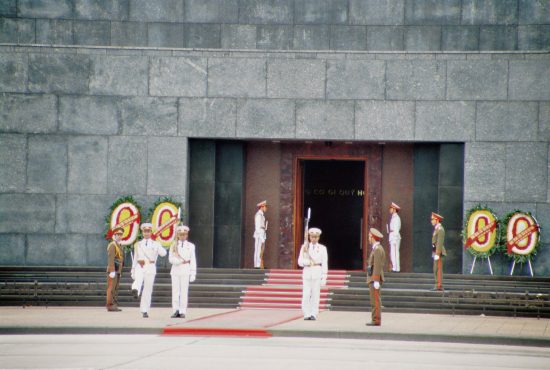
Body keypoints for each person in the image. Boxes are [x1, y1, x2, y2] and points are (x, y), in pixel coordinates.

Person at [133, 223, 167, 318]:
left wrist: (159, 246)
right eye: (145, 231)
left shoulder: (156, 244)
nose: (146, 233)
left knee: (148, 290)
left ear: (151, 232)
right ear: (142, 232)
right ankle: (135, 290)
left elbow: (163, 254)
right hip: (140, 265)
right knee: (138, 280)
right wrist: (133, 270)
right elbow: (135, 258)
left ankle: (144, 310)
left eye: (148, 231)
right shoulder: (138, 244)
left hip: (150, 267)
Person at [298, 227, 328, 321]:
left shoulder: (322, 248)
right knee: (306, 294)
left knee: (315, 294)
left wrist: (324, 277)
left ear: (318, 237)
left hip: (317, 272)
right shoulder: (304, 247)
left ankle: (314, 313)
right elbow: (299, 261)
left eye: (315, 237)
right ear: (309, 237)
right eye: (312, 237)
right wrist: (306, 262)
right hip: (307, 272)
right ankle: (306, 313)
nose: (314, 239)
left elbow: (324, 263)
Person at [168, 225, 197, 319]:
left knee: (184, 292)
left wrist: (193, 273)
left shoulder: (191, 246)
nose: (182, 236)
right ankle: (175, 310)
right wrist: (179, 261)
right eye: (180, 234)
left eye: (184, 234)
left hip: (185, 269)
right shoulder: (173, 245)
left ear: (187, 235)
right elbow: (171, 259)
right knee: (175, 291)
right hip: (176, 270)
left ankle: (182, 311)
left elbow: (193, 260)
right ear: (178, 235)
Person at [366, 228, 386, 326]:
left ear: (373, 237)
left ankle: (376, 320)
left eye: (369, 237)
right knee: (374, 300)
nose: (368, 239)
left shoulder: (377, 249)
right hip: (373, 278)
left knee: (376, 301)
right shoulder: (376, 248)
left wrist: (376, 280)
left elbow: (377, 265)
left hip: (375, 279)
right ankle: (375, 319)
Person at [106, 227, 124, 312]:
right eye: (118, 235)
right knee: (111, 288)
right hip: (113, 270)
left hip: (118, 270)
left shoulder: (119, 245)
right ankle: (110, 305)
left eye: (121, 235)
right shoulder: (112, 245)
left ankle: (114, 305)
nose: (119, 236)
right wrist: (112, 270)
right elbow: (111, 258)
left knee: (116, 288)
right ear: (114, 236)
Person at [431, 212, 446, 291]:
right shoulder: (437, 229)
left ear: (437, 220)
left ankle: (439, 285)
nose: (431, 221)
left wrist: (437, 253)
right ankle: (437, 284)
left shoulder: (440, 229)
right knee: (435, 268)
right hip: (435, 251)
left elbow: (440, 242)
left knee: (438, 269)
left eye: (432, 219)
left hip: (439, 252)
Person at [253, 200, 268, 268]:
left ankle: (259, 264)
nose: (266, 208)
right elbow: (257, 227)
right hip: (259, 235)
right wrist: (261, 237)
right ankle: (256, 265)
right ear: (261, 207)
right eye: (265, 206)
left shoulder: (262, 215)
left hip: (262, 234)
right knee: (258, 250)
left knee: (261, 250)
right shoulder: (259, 215)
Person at [388, 202, 402, 272]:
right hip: (392, 236)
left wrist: (395, 238)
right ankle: (394, 267)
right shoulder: (393, 217)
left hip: (395, 237)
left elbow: (396, 229)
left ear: (394, 209)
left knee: (395, 253)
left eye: (391, 208)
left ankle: (396, 268)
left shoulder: (396, 218)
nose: (390, 210)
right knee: (392, 253)